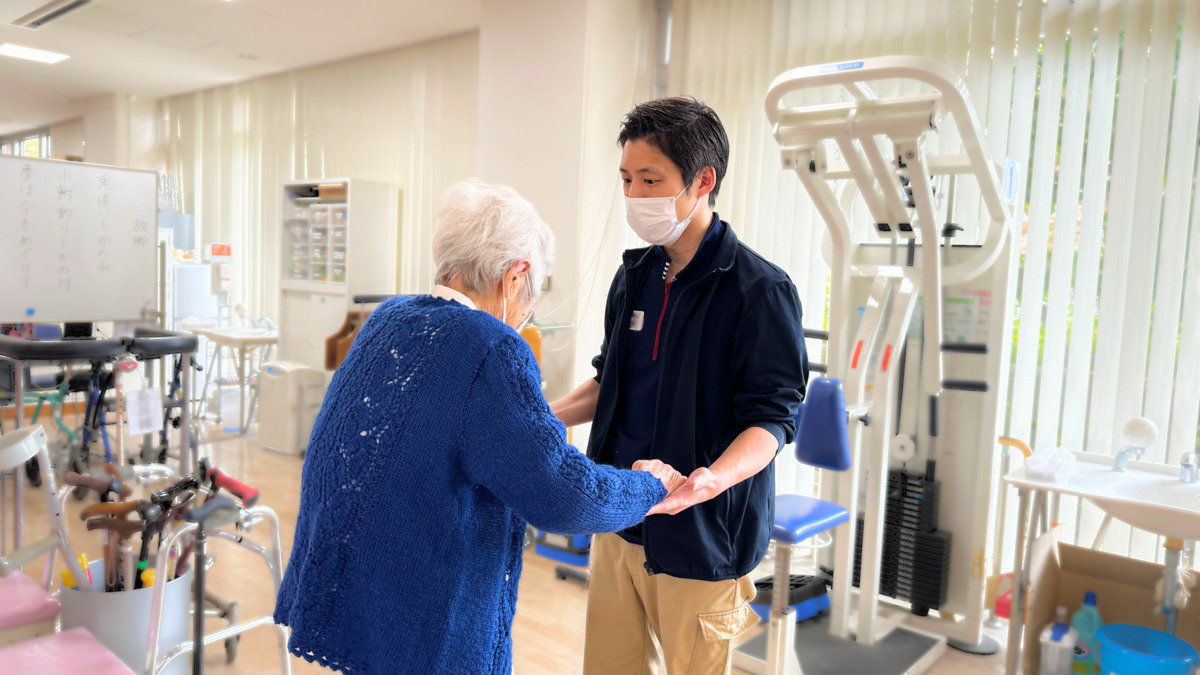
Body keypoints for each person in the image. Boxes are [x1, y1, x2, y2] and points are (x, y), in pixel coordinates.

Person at [274, 179, 685, 675]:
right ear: (515, 277)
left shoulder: (389, 317)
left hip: (359, 592)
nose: (529, 306)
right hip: (423, 624)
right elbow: (563, 495)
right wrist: (649, 486)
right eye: (533, 292)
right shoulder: (492, 347)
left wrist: (531, 424)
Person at [550, 97, 809, 673]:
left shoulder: (759, 291)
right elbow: (608, 382)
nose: (635, 195)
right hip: (619, 518)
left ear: (702, 181)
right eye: (626, 179)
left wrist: (712, 480)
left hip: (701, 534)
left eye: (650, 179)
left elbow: (772, 419)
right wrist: (545, 415)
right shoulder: (634, 277)